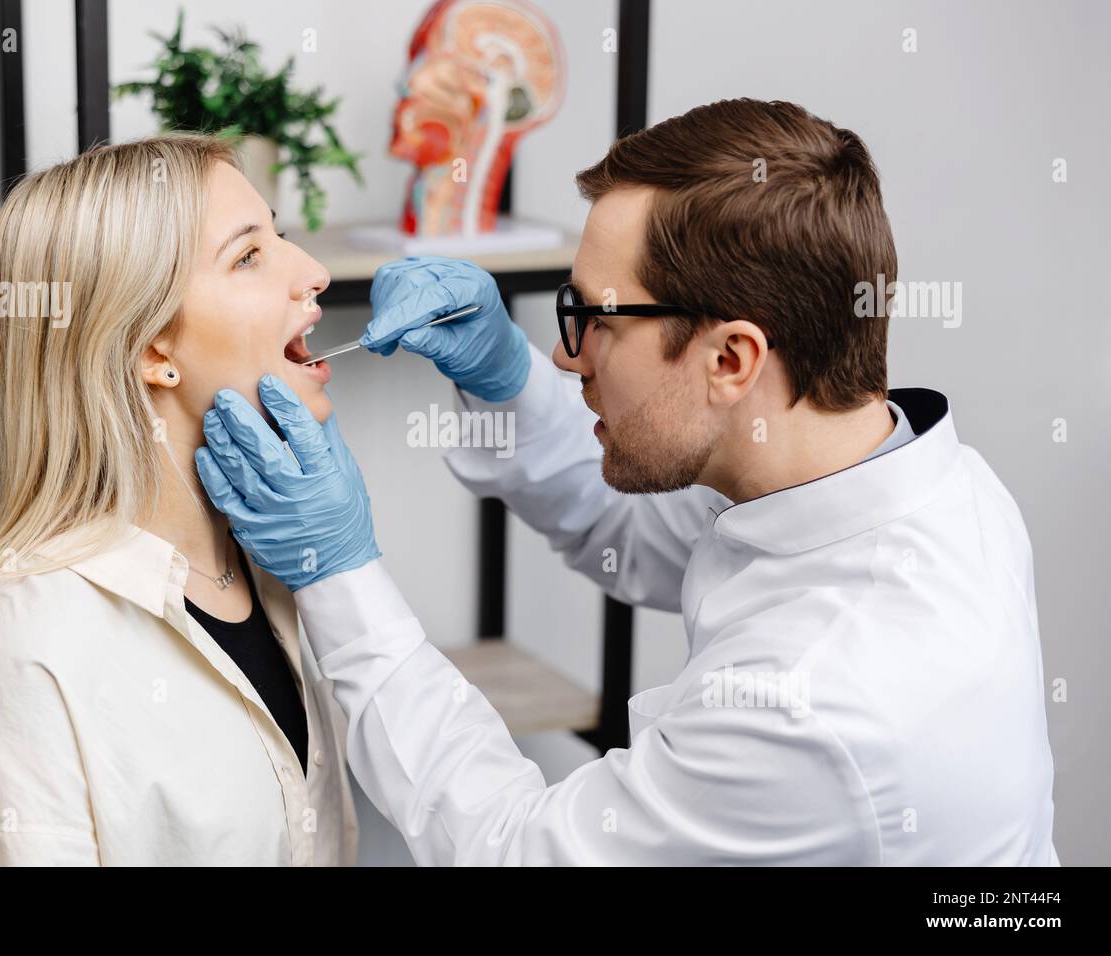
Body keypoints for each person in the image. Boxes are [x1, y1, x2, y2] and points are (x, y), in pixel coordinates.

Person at [196, 99, 1059, 865]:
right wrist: (506, 381)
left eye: (595, 319)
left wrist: (339, 574)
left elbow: (512, 850)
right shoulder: (914, 486)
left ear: (731, 359)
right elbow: (643, 541)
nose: (568, 356)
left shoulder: (818, 704)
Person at [0, 134, 358, 865]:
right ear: (152, 349)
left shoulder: (269, 563)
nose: (312, 274)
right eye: (249, 256)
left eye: (279, 236)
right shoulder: (12, 658)